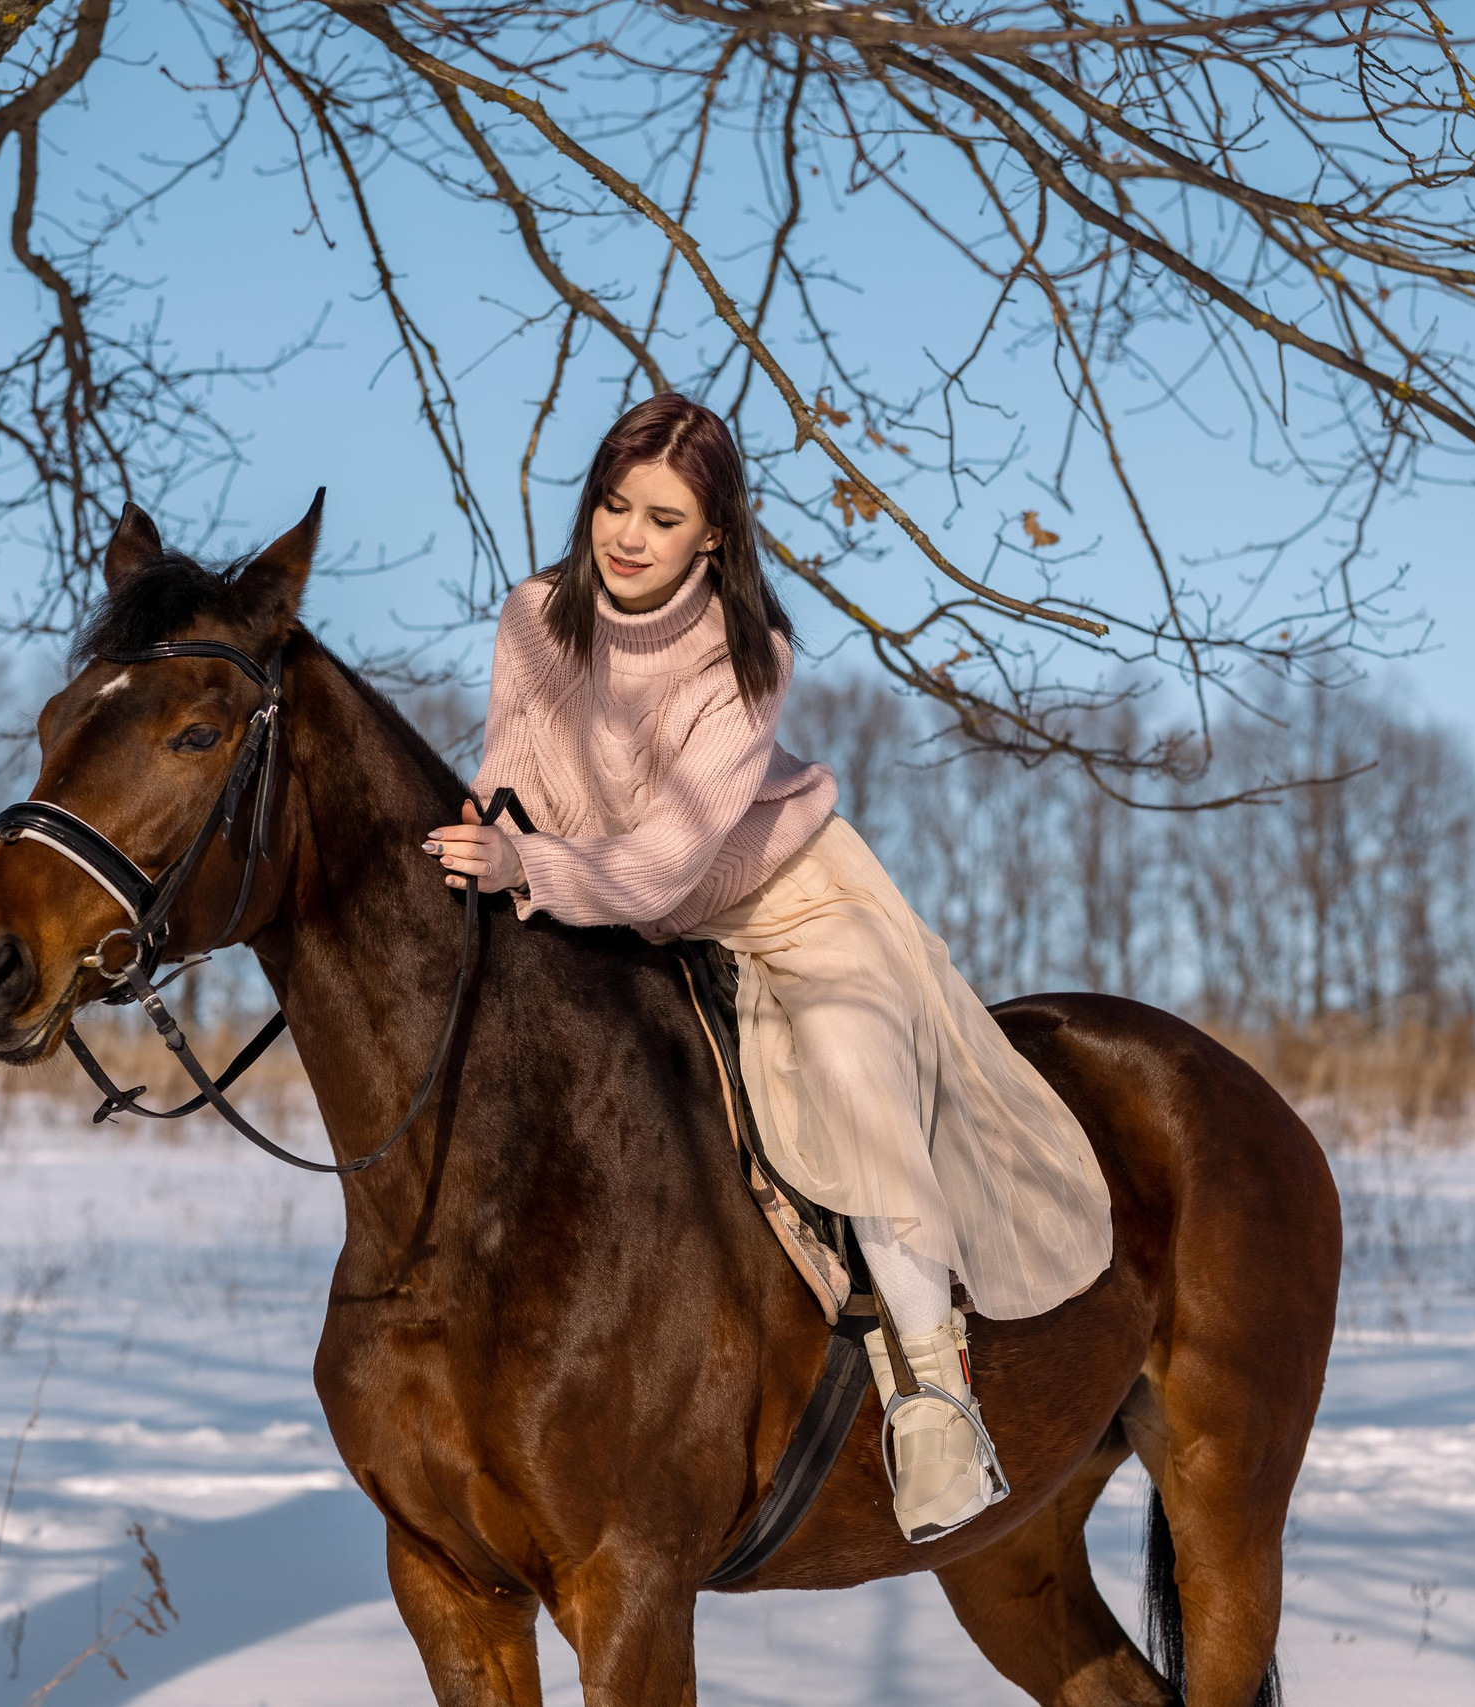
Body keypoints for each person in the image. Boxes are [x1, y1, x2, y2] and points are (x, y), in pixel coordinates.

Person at [425, 393, 1113, 1541]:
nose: (627, 535)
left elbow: (661, 864)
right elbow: (517, 778)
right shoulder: (537, 617)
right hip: (614, 908)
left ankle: (933, 1395)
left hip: (784, 902)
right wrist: (485, 842)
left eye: (663, 515)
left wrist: (526, 862)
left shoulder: (746, 655)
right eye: (612, 502)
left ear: (716, 538)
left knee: (848, 1068)